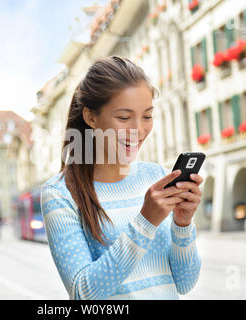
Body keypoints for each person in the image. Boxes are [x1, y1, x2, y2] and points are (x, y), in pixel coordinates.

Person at [41, 56, 203, 300]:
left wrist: (182, 224)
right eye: (124, 118)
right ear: (91, 117)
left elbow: (184, 283)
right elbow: (83, 294)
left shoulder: (156, 176)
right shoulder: (60, 194)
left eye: (147, 116)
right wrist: (146, 222)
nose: (138, 130)